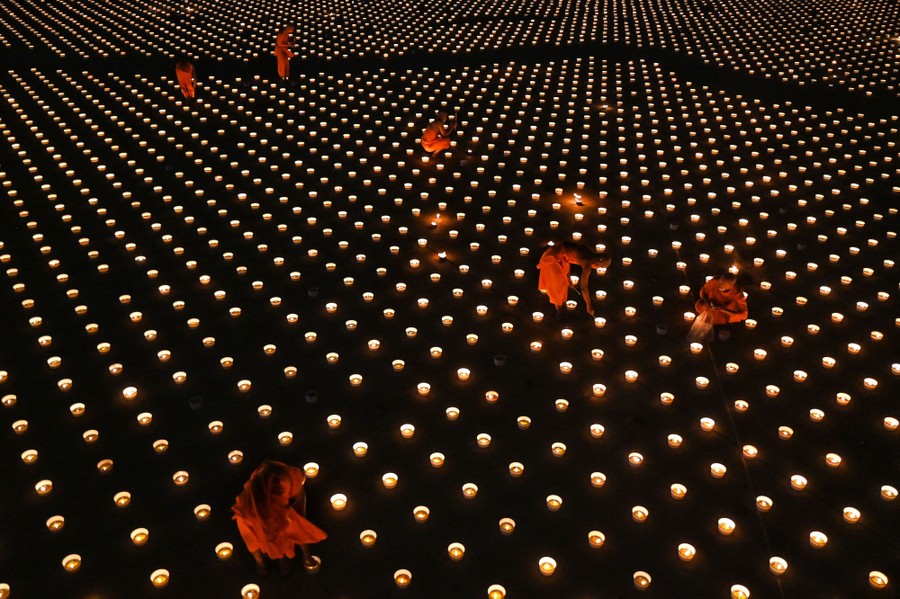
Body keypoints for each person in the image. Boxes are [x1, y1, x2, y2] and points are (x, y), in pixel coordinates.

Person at [232, 460, 326, 576]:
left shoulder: (271, 477)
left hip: (249, 513)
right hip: (252, 516)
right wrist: (307, 556)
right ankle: (269, 563)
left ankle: (267, 563)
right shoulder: (278, 510)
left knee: (258, 539)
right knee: (274, 538)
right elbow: (299, 526)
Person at [537, 241, 611, 317]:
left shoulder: (588, 251)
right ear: (598, 263)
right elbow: (583, 288)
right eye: (601, 267)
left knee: (564, 286)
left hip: (560, 257)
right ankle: (560, 316)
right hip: (553, 259)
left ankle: (561, 312)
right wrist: (589, 305)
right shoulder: (587, 263)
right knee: (558, 290)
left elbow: (567, 254)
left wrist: (568, 277)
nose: (598, 268)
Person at [694, 272, 748, 340]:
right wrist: (708, 303)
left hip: (725, 310)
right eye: (720, 281)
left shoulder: (737, 293)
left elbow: (744, 315)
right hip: (713, 304)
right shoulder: (715, 280)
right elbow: (703, 291)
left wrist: (722, 309)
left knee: (719, 321)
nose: (719, 284)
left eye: (722, 284)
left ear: (731, 286)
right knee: (700, 306)